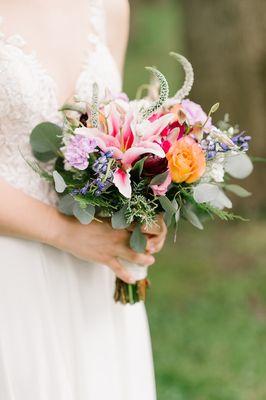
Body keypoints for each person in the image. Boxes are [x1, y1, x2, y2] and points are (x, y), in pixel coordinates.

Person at [0, 0, 167, 398]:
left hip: (94, 273)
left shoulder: (109, 7)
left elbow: (111, 130)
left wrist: (143, 206)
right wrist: (66, 234)